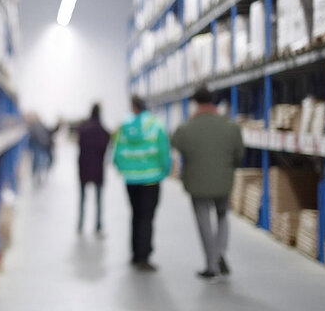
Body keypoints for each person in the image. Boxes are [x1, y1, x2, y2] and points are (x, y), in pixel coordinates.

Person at [171, 86, 244, 281]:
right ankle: (220, 252)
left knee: (203, 220)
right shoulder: (230, 127)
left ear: (194, 102)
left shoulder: (186, 129)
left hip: (197, 182)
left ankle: (211, 264)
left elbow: (176, 145)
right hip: (223, 181)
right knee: (222, 215)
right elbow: (239, 155)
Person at [113, 95, 171, 271]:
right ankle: (144, 258)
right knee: (147, 217)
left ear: (133, 107)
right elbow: (164, 152)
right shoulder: (155, 124)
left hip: (130, 179)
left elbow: (116, 153)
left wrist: (124, 169)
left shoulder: (123, 127)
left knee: (136, 215)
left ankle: (135, 254)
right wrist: (163, 172)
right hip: (151, 178)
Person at [76, 104, 111, 234]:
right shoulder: (102, 130)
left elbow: (80, 142)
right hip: (97, 169)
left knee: (82, 199)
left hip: (84, 168)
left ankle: (80, 225)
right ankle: (98, 226)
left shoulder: (83, 128)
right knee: (99, 200)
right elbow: (107, 141)